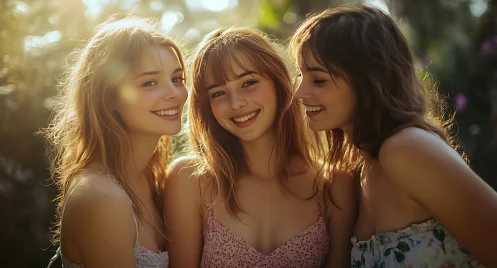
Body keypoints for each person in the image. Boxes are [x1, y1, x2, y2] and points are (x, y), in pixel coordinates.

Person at [289, 5, 497, 267]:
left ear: (367, 80)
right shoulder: (359, 169)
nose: (299, 93)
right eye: (300, 74)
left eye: (318, 80)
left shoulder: (406, 148)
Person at [163, 27, 356, 268]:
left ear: (278, 83)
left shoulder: (335, 184)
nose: (236, 103)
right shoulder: (190, 180)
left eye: (248, 83)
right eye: (219, 93)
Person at [44, 17, 188, 268]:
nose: (175, 93)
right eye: (150, 82)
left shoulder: (155, 179)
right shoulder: (101, 195)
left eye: (176, 79)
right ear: (108, 97)